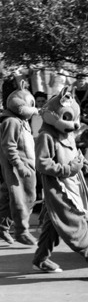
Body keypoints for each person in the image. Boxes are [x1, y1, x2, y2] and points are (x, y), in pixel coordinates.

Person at [33, 87, 88, 275]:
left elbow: (74, 152)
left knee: (52, 225)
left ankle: (40, 258)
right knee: (75, 223)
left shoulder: (66, 133)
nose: (75, 125)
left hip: (74, 184)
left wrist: (83, 162)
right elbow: (42, 163)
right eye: (69, 118)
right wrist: (67, 170)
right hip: (59, 188)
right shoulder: (46, 136)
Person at [0, 87, 38, 245]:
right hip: (19, 168)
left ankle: (2, 226)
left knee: (9, 197)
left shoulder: (21, 121)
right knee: (24, 199)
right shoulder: (12, 121)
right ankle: (22, 232)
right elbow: (9, 146)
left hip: (26, 165)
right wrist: (20, 165)